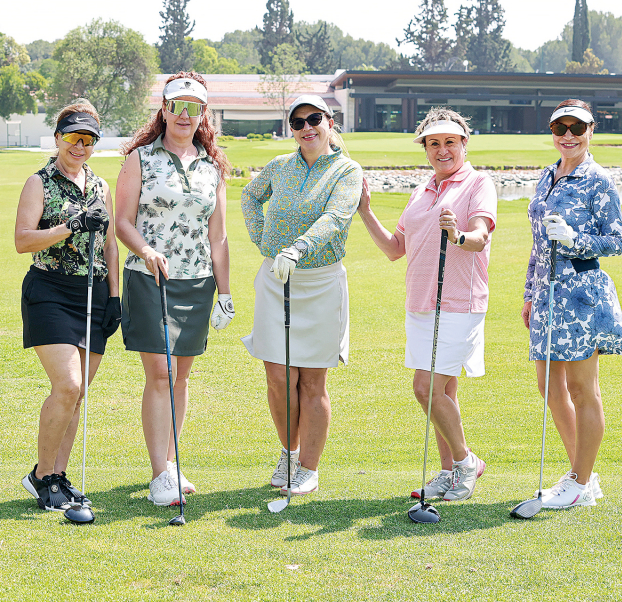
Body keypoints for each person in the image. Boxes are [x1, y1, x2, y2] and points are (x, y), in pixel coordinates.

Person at [357, 107, 497, 502]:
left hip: (458, 302)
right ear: (425, 148)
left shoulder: (478, 183)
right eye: (433, 143)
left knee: (426, 388)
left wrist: (458, 235)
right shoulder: (421, 191)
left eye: (450, 141)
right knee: (443, 393)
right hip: (420, 304)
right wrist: (365, 210)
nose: (442, 150)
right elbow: (394, 248)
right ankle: (448, 471)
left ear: (464, 144)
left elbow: (480, 236)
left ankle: (466, 462)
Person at [115, 71, 232, 506]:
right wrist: (146, 250)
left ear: (203, 114)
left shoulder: (212, 166)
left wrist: (225, 293)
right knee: (161, 374)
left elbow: (218, 236)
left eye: (193, 108)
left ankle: (172, 460)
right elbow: (122, 221)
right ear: (164, 110)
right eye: (176, 106)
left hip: (197, 282)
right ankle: (159, 474)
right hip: (150, 278)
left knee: (181, 378)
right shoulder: (140, 158)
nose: (184, 115)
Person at [241, 95, 363, 496]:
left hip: (321, 283)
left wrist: (298, 248)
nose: (307, 127)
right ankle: (289, 454)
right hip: (275, 280)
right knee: (279, 377)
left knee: (311, 381)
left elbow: (336, 217)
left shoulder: (347, 170)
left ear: (329, 122)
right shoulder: (279, 166)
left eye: (314, 119)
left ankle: (308, 468)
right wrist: (263, 239)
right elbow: (249, 196)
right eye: (298, 122)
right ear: (291, 129)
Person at [522, 99, 622, 509]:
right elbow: (538, 245)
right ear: (552, 132)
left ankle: (579, 482)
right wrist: (529, 294)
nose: (568, 136)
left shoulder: (598, 180)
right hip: (546, 293)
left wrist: (573, 239)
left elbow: (616, 241)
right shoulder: (547, 176)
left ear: (590, 131)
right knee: (550, 387)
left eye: (577, 128)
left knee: (583, 389)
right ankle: (582, 476)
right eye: (560, 128)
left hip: (581, 294)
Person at [16, 100, 120, 511]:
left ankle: (57, 477)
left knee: (78, 397)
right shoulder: (39, 182)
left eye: (88, 139)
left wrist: (115, 296)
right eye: (73, 137)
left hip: (93, 294)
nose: (80, 146)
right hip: (50, 291)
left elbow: (110, 245)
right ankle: (41, 476)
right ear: (58, 137)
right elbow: (23, 240)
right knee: (68, 385)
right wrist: (71, 226)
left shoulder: (100, 186)